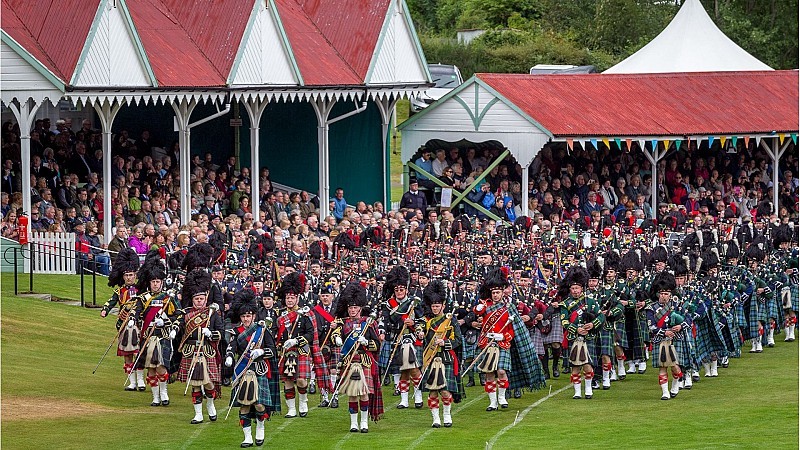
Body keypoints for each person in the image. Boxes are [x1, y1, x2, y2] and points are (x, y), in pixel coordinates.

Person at [473, 267, 545, 410]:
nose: (495, 295)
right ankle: (492, 402)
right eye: (493, 293)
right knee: (489, 373)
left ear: (502, 293)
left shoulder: (509, 307)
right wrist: (479, 308)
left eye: (498, 292)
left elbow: (514, 329)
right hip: (488, 343)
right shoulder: (485, 306)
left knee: (501, 371)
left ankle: (502, 398)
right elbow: (477, 312)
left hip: (503, 343)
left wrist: (503, 336)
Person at [226, 290, 280, 448]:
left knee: (259, 404)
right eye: (243, 316)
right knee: (244, 404)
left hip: (259, 369)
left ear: (254, 316)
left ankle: (260, 428)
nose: (246, 319)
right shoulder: (236, 332)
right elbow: (231, 347)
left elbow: (273, 350)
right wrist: (229, 356)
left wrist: (261, 352)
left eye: (248, 316)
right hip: (243, 371)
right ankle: (247, 438)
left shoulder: (262, 330)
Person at [330, 281, 383, 433]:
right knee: (352, 394)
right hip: (349, 361)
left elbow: (377, 345)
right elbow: (334, 337)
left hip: (364, 361)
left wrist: (366, 342)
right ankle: (353, 423)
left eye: (355, 308)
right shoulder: (342, 323)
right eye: (350, 308)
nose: (352, 310)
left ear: (360, 308)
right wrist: (336, 338)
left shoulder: (368, 323)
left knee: (364, 393)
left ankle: (364, 422)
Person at [174, 269, 224, 424]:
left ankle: (210, 403)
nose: (199, 302)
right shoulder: (186, 313)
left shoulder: (213, 313)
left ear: (206, 298)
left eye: (201, 299)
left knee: (208, 382)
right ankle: (198, 414)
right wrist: (174, 330)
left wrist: (211, 334)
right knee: (195, 384)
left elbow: (221, 332)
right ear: (193, 299)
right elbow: (179, 324)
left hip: (207, 351)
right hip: (191, 351)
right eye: (196, 299)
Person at [132, 252, 178, 407]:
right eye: (153, 282)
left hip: (162, 335)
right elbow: (136, 312)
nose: (155, 284)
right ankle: (155, 397)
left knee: (161, 366)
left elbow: (179, 315)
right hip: (148, 335)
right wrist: (132, 319)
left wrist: (166, 321)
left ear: (162, 282)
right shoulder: (143, 298)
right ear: (149, 283)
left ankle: (164, 393)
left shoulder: (168, 298)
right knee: (150, 368)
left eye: (158, 281)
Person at [420, 280, 463, 428]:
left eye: (437, 306)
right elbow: (423, 338)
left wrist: (445, 343)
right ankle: (435, 419)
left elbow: (459, 340)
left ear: (443, 306)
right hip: (431, 359)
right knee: (432, 391)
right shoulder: (427, 322)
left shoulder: (451, 320)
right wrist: (420, 334)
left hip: (446, 358)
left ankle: (447, 415)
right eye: (433, 306)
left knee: (445, 391)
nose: (435, 308)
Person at [380, 265, 425, 409]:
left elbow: (423, 320)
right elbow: (385, 321)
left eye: (401, 289)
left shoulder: (414, 302)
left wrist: (414, 323)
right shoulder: (388, 304)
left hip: (413, 339)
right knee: (403, 370)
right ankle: (404, 400)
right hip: (397, 339)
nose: (399, 292)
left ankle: (418, 397)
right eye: (397, 290)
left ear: (406, 289)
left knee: (414, 369)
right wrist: (383, 331)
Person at [100, 248, 143, 391]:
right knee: (127, 354)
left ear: (135, 275)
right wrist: (105, 310)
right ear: (123, 276)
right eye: (126, 275)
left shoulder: (141, 290)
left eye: (131, 275)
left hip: (138, 324)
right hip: (123, 325)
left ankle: (141, 380)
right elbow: (111, 302)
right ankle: (132, 382)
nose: (129, 278)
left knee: (138, 352)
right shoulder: (119, 291)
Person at [276, 272, 314, 418]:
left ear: (297, 298)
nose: (290, 300)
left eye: (292, 298)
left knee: (301, 380)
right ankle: (291, 409)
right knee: (288, 380)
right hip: (286, 351)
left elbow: (310, 334)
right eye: (288, 298)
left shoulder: (303, 314)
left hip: (301, 350)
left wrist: (296, 341)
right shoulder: (280, 315)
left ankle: (303, 401)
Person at [646, 271, 688, 400]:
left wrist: (680, 326)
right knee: (663, 366)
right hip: (660, 339)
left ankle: (675, 383)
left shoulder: (678, 305)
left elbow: (689, 319)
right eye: (661, 293)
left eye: (666, 293)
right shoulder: (651, 308)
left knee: (675, 366)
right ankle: (665, 392)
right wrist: (664, 332)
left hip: (676, 338)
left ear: (671, 294)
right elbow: (651, 326)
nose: (663, 296)